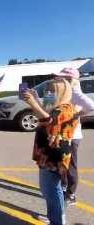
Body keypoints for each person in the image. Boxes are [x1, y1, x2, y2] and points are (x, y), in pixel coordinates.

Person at [24, 78, 79, 225]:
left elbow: (49, 123)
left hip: (55, 155)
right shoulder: (57, 107)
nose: (48, 93)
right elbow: (45, 116)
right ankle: (53, 217)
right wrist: (36, 100)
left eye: (52, 91)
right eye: (47, 90)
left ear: (62, 92)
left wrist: (33, 104)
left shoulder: (65, 109)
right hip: (47, 153)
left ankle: (58, 220)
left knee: (51, 189)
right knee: (48, 189)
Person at [53, 68, 94, 206]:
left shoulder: (75, 92)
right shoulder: (64, 92)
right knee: (62, 163)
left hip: (72, 135)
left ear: (71, 80)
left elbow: (91, 106)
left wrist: (78, 114)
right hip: (62, 134)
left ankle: (70, 194)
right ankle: (64, 187)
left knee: (70, 165)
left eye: (62, 77)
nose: (58, 79)